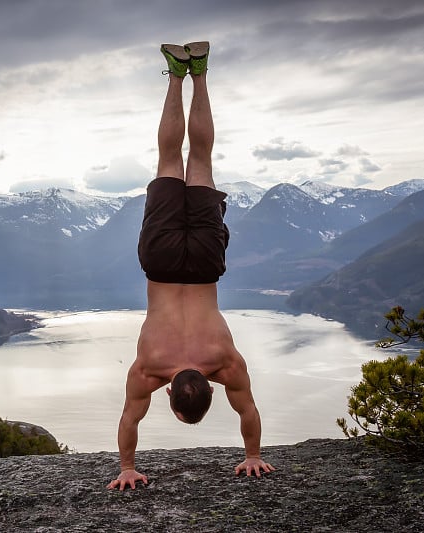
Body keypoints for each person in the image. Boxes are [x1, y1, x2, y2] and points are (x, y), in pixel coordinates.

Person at [107, 41, 275, 491]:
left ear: (210, 387)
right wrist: (126, 467)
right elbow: (129, 419)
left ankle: (195, 71)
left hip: (203, 264)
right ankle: (181, 73)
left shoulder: (224, 365)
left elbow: (248, 412)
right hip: (161, 263)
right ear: (170, 393)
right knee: (169, 161)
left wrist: (255, 454)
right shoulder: (148, 369)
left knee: (197, 160)